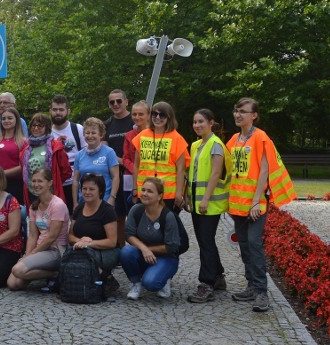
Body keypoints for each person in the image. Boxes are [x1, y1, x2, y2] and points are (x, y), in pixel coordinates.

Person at [227, 97, 296, 312]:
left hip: (255, 205)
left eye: (243, 111)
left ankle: (261, 292)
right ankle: (251, 286)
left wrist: (257, 200)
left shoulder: (261, 138)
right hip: (238, 204)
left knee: (254, 245)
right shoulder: (234, 140)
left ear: (254, 115)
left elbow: (264, 170)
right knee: (246, 247)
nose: (238, 114)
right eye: (236, 111)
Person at [184, 109, 231, 303]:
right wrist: (188, 196)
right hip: (196, 202)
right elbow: (193, 174)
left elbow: (215, 173)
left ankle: (207, 283)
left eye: (201, 121)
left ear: (211, 123)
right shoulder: (196, 145)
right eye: (195, 122)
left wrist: (205, 199)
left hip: (208, 204)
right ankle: (218, 276)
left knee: (206, 241)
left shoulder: (216, 145)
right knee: (206, 241)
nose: (197, 125)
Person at [7, 169, 70, 291]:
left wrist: (32, 254)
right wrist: (27, 254)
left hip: (56, 250)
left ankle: (57, 273)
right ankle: (49, 273)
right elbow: (32, 236)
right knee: (13, 284)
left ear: (50, 183)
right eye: (34, 181)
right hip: (40, 250)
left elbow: (52, 236)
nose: (36, 185)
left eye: (40, 181)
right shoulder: (34, 206)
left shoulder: (57, 205)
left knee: (17, 270)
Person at [122, 178, 180, 300]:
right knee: (126, 252)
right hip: (144, 253)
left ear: (159, 196)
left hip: (166, 257)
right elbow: (128, 234)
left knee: (151, 283)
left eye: (149, 191)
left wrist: (148, 250)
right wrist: (144, 249)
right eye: (143, 190)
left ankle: (165, 278)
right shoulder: (136, 210)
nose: (144, 194)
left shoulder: (168, 216)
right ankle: (136, 284)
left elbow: (172, 246)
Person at [132, 101, 189, 211]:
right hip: (144, 191)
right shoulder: (142, 136)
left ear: (169, 117)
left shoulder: (177, 139)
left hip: (168, 194)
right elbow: (136, 165)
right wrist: (135, 189)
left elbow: (181, 169)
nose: (157, 117)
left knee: (166, 225)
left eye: (162, 115)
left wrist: (178, 193)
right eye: (154, 114)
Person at [68, 173, 120, 292]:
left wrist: (89, 243)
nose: (87, 192)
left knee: (84, 254)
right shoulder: (79, 209)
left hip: (106, 251)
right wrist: (80, 241)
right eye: (84, 189)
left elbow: (112, 242)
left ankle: (105, 277)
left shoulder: (107, 211)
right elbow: (70, 235)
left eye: (91, 189)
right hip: (81, 247)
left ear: (100, 191)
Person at [20, 112, 72, 205]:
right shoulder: (25, 149)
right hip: (32, 193)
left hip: (51, 192)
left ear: (47, 128)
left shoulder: (55, 147)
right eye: (34, 125)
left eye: (40, 126)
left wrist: (54, 181)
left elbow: (66, 172)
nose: (36, 128)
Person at [104, 89, 134, 237]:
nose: (116, 104)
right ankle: (120, 250)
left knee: (136, 214)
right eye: (112, 102)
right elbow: (104, 151)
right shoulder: (107, 124)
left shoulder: (135, 121)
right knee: (118, 215)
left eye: (119, 101)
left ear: (126, 102)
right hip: (115, 175)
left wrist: (126, 162)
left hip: (134, 173)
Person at [72, 117, 120, 206]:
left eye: (93, 133)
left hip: (104, 201)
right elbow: (75, 180)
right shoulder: (79, 155)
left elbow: (115, 177)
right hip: (84, 202)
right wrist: (75, 202)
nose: (90, 136)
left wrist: (112, 198)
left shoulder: (109, 152)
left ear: (101, 135)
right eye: (87, 133)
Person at [0, 107, 27, 205]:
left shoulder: (23, 142)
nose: (6, 121)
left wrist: (2, 173)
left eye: (10, 118)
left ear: (16, 120)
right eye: (3, 119)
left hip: (15, 183)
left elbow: (24, 166)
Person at [49, 94, 85, 212]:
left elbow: (86, 153)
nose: (57, 113)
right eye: (55, 110)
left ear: (68, 111)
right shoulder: (47, 133)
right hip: (54, 182)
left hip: (76, 182)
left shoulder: (78, 129)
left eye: (61, 110)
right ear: (50, 111)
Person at [121, 100, 149, 217]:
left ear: (148, 115)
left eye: (141, 114)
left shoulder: (155, 134)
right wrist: (137, 171)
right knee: (132, 213)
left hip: (150, 178)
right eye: (134, 114)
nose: (137, 117)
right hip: (130, 177)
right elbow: (125, 158)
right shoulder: (129, 135)